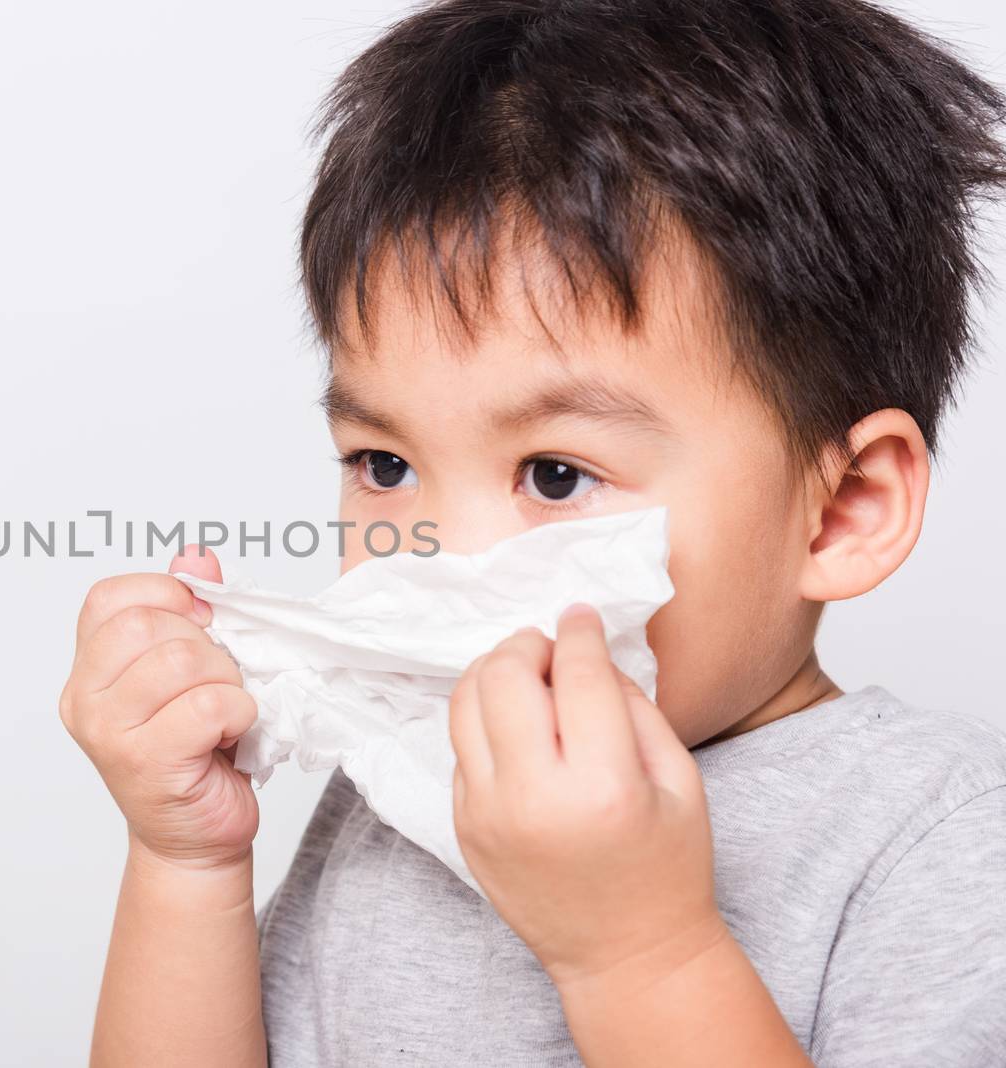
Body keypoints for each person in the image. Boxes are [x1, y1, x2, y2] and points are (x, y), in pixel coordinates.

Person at [59, 1, 1006, 1063]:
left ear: (842, 511)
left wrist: (642, 953)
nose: (441, 552)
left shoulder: (940, 842)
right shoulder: (404, 793)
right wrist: (185, 866)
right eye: (385, 466)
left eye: (555, 474)